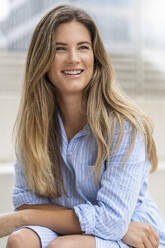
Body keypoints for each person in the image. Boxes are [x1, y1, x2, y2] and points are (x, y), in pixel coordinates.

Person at [0, 4, 165, 248]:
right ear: (43, 58)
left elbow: (112, 220)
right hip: (108, 228)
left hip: (138, 234)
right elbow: (27, 203)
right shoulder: (35, 126)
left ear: (95, 57)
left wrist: (19, 218)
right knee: (20, 240)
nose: (74, 58)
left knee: (62, 247)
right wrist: (112, 224)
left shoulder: (124, 126)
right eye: (60, 49)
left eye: (83, 48)